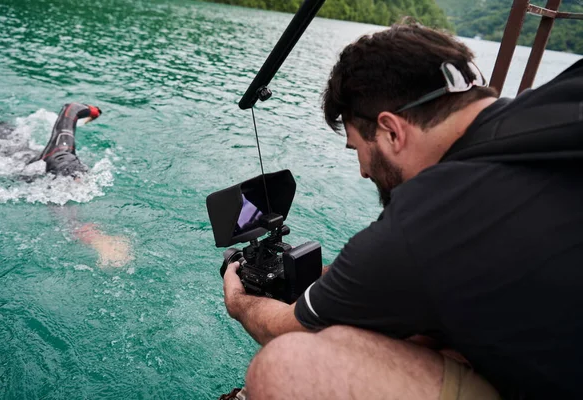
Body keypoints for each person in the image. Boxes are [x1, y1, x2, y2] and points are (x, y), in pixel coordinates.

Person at [221, 23, 583, 399]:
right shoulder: (567, 90)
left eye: (357, 148)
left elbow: (285, 328)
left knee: (285, 364)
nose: (362, 169)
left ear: (392, 131)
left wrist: (239, 301)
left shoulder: (427, 220)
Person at [0, 103, 133, 268]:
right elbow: (71, 108)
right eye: (75, 180)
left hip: (14, 149)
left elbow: (73, 109)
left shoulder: (65, 160)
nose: (78, 184)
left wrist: (93, 112)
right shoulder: (60, 151)